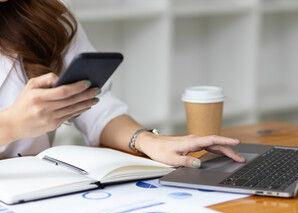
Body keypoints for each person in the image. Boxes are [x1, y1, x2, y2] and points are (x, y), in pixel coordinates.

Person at [0, 0, 244, 168]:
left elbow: (95, 105)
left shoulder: (44, 16)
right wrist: (9, 126)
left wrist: (147, 142)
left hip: (35, 190)